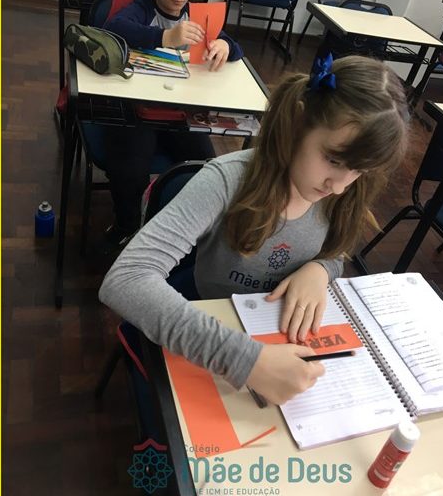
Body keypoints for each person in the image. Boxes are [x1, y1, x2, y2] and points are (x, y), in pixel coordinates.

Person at [99, 54, 410, 405]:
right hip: (211, 320)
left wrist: (321, 269)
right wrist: (246, 360)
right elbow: (126, 279)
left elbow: (335, 250)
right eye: (334, 160)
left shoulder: (345, 191)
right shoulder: (226, 181)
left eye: (358, 171)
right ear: (299, 122)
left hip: (274, 331)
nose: (339, 186)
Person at [101, 0, 243, 251]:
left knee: (206, 167)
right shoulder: (141, 10)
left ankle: (184, 229)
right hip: (137, 112)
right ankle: (126, 226)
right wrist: (166, 36)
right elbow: (114, 29)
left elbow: (235, 46)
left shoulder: (198, 15)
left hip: (179, 113)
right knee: (130, 171)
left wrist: (224, 44)